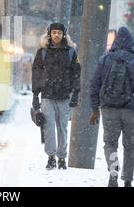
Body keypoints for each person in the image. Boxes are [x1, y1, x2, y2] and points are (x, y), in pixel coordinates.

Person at [89, 27, 134, 187]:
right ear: (132, 43)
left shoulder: (105, 60)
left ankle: (113, 171)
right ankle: (128, 180)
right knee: (129, 145)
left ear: (116, 42)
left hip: (109, 108)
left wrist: (94, 108)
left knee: (110, 143)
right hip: (131, 109)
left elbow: (95, 84)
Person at [31, 22, 81, 170]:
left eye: (59, 32)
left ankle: (62, 158)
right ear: (49, 34)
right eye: (54, 32)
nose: (56, 35)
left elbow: (76, 74)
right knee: (48, 127)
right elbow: (36, 74)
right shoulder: (42, 52)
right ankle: (51, 157)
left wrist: (76, 93)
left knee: (63, 128)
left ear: (63, 34)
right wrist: (35, 94)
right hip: (47, 96)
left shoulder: (71, 52)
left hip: (64, 96)